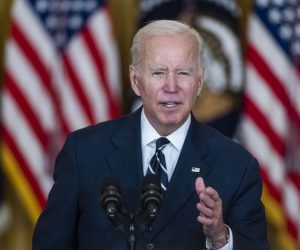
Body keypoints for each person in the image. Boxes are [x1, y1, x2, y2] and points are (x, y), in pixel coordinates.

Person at [32, 20, 269, 250]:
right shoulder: (83, 152)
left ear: (199, 82)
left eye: (183, 73)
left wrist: (220, 237)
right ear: (136, 81)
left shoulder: (237, 166)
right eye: (158, 72)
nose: (171, 86)